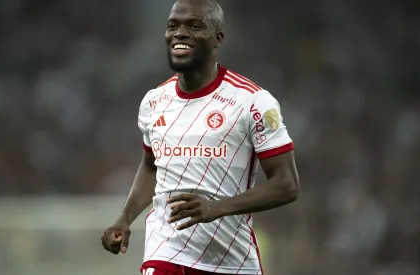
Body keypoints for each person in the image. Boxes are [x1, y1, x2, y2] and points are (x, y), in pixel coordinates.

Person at [101, 0, 300, 274]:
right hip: (166, 252)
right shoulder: (154, 101)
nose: (180, 33)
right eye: (173, 26)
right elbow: (150, 166)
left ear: (218, 39)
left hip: (232, 261)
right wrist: (124, 219)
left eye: (195, 26)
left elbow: (287, 185)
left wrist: (216, 207)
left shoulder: (253, 101)